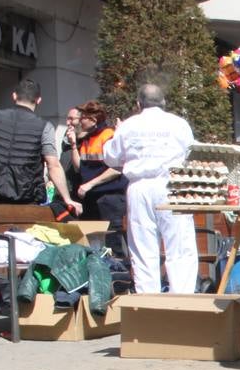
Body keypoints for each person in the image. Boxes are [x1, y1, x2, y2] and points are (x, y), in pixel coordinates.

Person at [102, 85, 197, 294]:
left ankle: (148, 302)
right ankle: (184, 301)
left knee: (144, 250)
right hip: (173, 184)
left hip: (140, 187)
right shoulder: (178, 124)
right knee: (180, 247)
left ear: (138, 104)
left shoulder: (128, 126)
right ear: (164, 103)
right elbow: (192, 154)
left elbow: (110, 156)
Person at [0, 79, 77, 214]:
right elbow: (53, 165)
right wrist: (67, 199)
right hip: (27, 197)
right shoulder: (44, 127)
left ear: (14, 96)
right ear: (39, 100)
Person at [72, 101, 129, 243]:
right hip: (91, 199)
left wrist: (89, 185)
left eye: (82, 118)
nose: (79, 122)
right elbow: (80, 167)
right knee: (91, 245)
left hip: (109, 199)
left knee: (113, 245)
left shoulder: (109, 136)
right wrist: (73, 145)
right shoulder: (87, 139)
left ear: (93, 120)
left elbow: (117, 169)